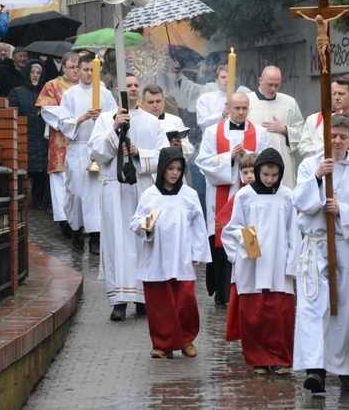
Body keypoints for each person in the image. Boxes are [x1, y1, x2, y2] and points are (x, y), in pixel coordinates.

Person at [291, 113, 349, 394]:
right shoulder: (310, 164)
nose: (338, 141)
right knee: (313, 307)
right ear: (324, 137)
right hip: (317, 245)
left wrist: (343, 210)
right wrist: (318, 178)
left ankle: (345, 370)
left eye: (344, 136)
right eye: (332, 136)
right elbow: (300, 201)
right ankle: (315, 369)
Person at [88, 74, 169, 321]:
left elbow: (164, 156)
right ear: (117, 91)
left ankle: (144, 298)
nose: (132, 89)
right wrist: (114, 130)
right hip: (114, 189)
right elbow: (95, 153)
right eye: (128, 86)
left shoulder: (152, 122)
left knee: (143, 241)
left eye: (136, 86)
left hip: (143, 190)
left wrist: (138, 153)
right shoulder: (104, 119)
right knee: (117, 243)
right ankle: (119, 301)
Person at [222, 148, 300, 375]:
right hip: (252, 263)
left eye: (274, 175)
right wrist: (247, 241)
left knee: (279, 314)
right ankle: (258, 359)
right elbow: (232, 228)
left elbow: (293, 231)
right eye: (265, 174)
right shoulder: (244, 196)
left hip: (278, 262)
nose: (269, 179)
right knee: (254, 314)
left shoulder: (287, 195)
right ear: (257, 171)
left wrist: (291, 263)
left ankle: (281, 358)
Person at [129, 147, 211, 359]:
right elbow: (136, 222)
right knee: (160, 302)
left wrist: (198, 253)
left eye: (179, 169)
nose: (174, 173)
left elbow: (198, 226)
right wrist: (147, 226)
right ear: (162, 169)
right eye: (170, 168)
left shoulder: (189, 195)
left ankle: (185, 339)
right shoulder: (150, 195)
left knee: (185, 300)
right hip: (157, 255)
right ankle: (162, 344)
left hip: (181, 255)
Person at [196, 92, 270, 305]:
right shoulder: (212, 132)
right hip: (222, 195)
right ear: (228, 107)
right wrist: (229, 157)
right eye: (236, 108)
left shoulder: (261, 133)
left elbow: (266, 162)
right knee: (221, 243)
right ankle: (222, 293)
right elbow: (203, 163)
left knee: (248, 238)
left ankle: (248, 290)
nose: (240, 112)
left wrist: (248, 157)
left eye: (244, 108)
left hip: (249, 197)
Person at [59, 54, 117, 254]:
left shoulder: (105, 94)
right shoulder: (71, 94)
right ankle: (76, 230)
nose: (89, 73)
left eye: (93, 70)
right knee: (76, 192)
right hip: (79, 147)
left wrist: (103, 119)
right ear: (78, 71)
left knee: (96, 194)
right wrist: (83, 117)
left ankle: (95, 237)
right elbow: (63, 122)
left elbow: (115, 119)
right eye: (85, 70)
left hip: (99, 149)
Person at [213, 152, 257, 342]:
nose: (248, 176)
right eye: (245, 172)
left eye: (252, 171)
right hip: (245, 249)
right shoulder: (240, 195)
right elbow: (227, 225)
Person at [36, 52, 81, 236]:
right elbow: (47, 110)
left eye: (79, 67)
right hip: (61, 139)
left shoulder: (88, 87)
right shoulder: (52, 85)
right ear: (63, 68)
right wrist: (72, 120)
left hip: (83, 139)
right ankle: (64, 219)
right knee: (60, 180)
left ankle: (81, 219)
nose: (76, 71)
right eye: (72, 67)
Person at [245, 66, 305, 189]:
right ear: (260, 80)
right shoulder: (247, 101)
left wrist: (285, 129)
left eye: (276, 85)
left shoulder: (289, 102)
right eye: (269, 84)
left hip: (282, 157)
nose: (273, 89)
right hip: (254, 157)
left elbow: (303, 132)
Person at [8, 62, 48, 210]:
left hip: (42, 137)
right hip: (24, 136)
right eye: (32, 72)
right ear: (27, 73)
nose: (35, 75)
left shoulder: (45, 93)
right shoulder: (17, 92)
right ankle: (21, 201)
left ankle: (38, 201)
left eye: (38, 72)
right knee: (24, 170)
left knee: (40, 172)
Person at [142, 84, 194, 165]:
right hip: (147, 170)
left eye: (158, 101)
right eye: (150, 102)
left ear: (164, 102)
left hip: (171, 167)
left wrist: (180, 147)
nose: (155, 105)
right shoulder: (137, 122)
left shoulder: (176, 121)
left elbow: (189, 148)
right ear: (143, 104)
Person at [196, 66, 250, 131]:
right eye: (223, 77)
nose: (226, 80)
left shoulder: (242, 99)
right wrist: (221, 115)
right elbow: (202, 122)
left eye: (230, 77)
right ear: (216, 79)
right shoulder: (205, 98)